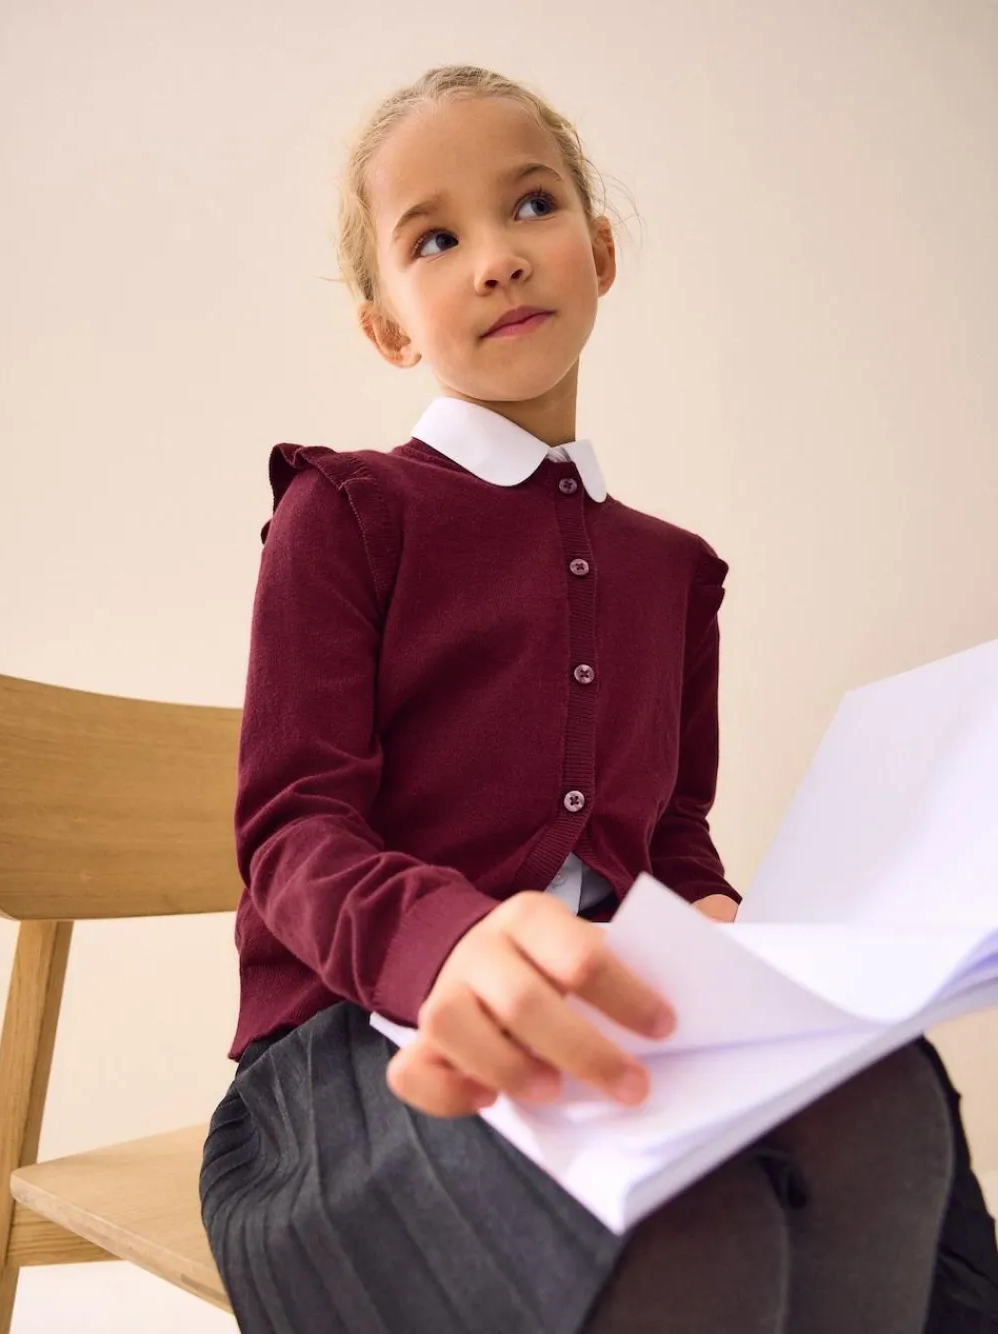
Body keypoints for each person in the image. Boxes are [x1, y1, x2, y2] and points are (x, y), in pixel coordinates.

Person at [198, 63, 988, 1334]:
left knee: (884, 1097)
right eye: (436, 238)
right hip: (361, 1051)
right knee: (698, 1225)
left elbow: (670, 833)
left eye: (531, 205)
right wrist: (450, 937)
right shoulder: (341, 512)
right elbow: (292, 832)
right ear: (389, 326)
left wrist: (723, 919)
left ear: (599, 249)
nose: (497, 258)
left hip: (610, 1013)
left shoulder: (674, 570)